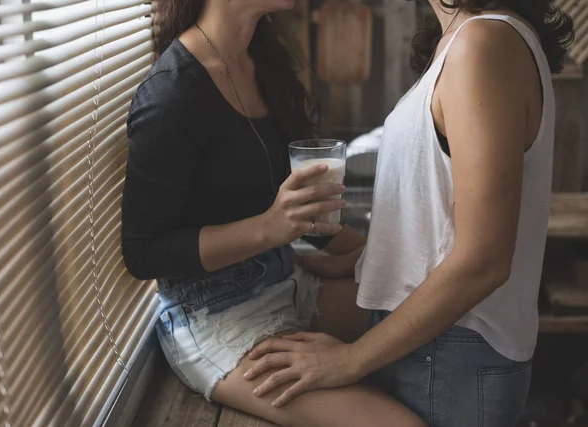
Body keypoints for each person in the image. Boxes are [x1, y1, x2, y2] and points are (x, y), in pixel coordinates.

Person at [243, 1, 574, 426]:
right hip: (434, 348)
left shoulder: (484, 43)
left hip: (451, 357)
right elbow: (440, 216)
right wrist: (356, 261)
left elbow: (485, 260)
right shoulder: (469, 40)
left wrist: (349, 360)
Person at [120, 0, 427, 425]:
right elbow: (143, 253)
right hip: (215, 318)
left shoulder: (263, 59)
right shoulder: (172, 92)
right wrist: (270, 228)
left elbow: (305, 214)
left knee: (429, 311)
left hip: (286, 278)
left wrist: (368, 256)